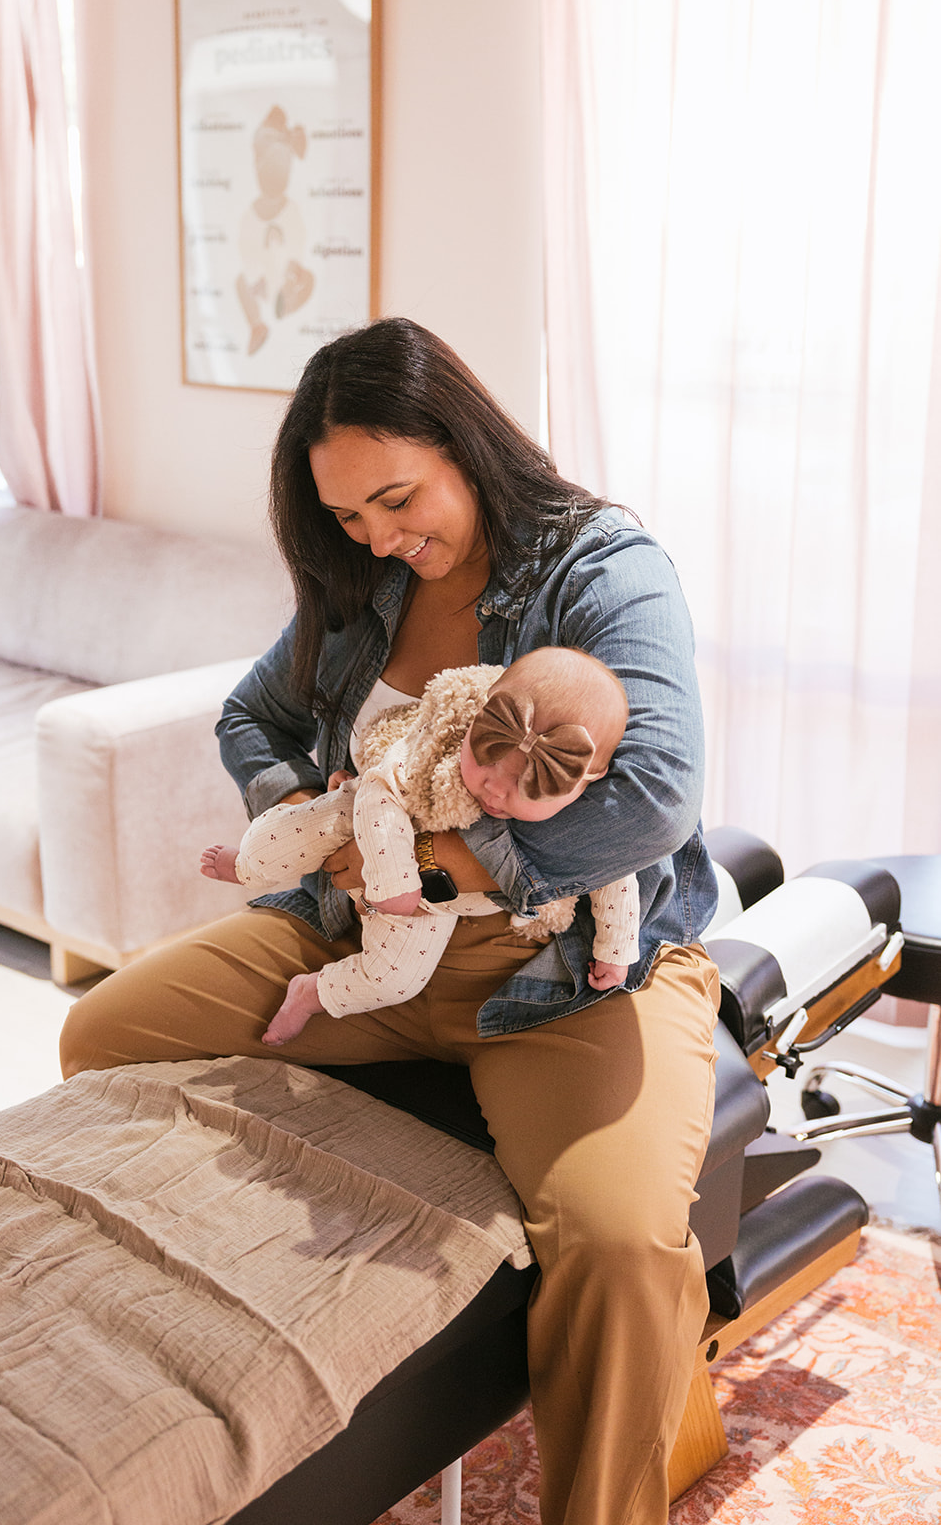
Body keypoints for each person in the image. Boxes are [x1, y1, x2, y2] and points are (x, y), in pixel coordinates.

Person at [59, 317, 721, 1525]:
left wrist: (439, 854)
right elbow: (248, 718)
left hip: (558, 973)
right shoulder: (366, 582)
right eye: (349, 516)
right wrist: (297, 805)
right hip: (356, 947)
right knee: (101, 1035)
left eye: (396, 498)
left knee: (621, 1249)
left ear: (461, 443)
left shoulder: (600, 566)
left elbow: (659, 794)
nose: (377, 535)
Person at [200, 646, 640, 1046]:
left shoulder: (587, 823)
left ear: (586, 785)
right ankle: (246, 864)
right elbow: (378, 790)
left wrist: (616, 949)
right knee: (293, 837)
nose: (494, 789)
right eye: (485, 754)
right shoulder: (439, 745)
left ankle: (312, 993)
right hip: (370, 816)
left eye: (527, 783)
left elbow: (616, 872)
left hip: (434, 905)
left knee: (394, 979)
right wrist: (393, 876)